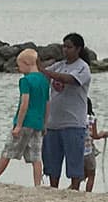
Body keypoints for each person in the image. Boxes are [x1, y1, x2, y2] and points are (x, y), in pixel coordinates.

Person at [39, 33, 93, 189]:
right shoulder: (59, 65)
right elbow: (42, 76)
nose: (65, 50)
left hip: (73, 124)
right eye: (63, 46)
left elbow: (69, 79)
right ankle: (53, 189)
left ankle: (74, 190)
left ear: (78, 49)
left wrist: (46, 71)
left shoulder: (83, 68)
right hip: (53, 123)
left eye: (69, 47)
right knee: (52, 164)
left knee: (74, 165)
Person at [0, 47, 47, 185]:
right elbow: (47, 103)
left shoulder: (25, 81)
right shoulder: (44, 80)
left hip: (25, 122)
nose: (19, 69)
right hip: (38, 123)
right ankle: (37, 184)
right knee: (36, 156)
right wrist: (45, 123)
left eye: (20, 65)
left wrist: (18, 125)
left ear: (27, 64)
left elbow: (24, 103)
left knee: (7, 152)